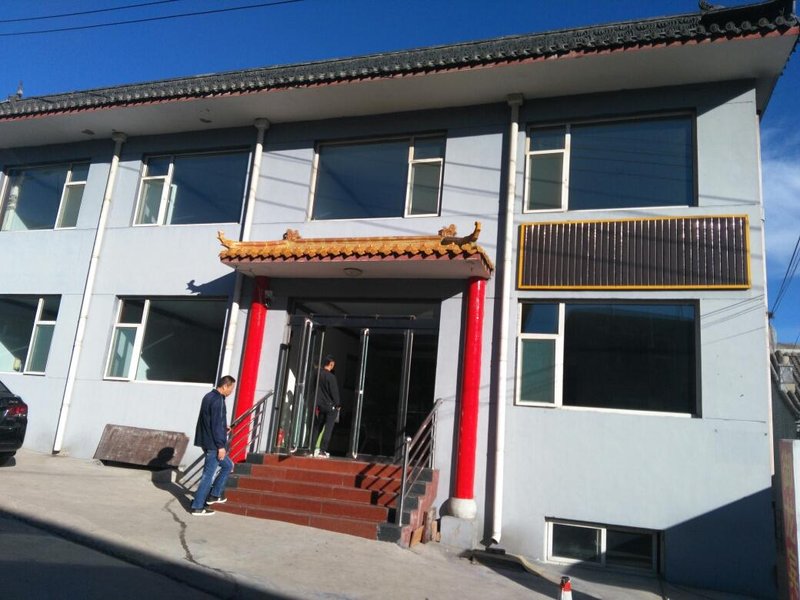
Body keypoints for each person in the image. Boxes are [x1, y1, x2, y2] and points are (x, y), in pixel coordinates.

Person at [190, 375, 236, 516]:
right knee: (208, 475)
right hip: (214, 444)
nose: (231, 392)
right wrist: (220, 446)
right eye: (231, 388)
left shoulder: (208, 396)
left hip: (206, 440)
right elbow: (215, 424)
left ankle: (214, 495)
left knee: (228, 465)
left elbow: (210, 420)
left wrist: (223, 426)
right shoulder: (218, 400)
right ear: (225, 386)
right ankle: (198, 506)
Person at [312, 355, 340, 458]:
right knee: (328, 428)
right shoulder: (331, 377)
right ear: (331, 364)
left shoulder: (317, 374)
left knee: (318, 427)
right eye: (333, 365)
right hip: (330, 406)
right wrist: (338, 404)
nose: (333, 367)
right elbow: (334, 392)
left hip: (320, 405)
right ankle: (322, 450)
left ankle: (312, 447)